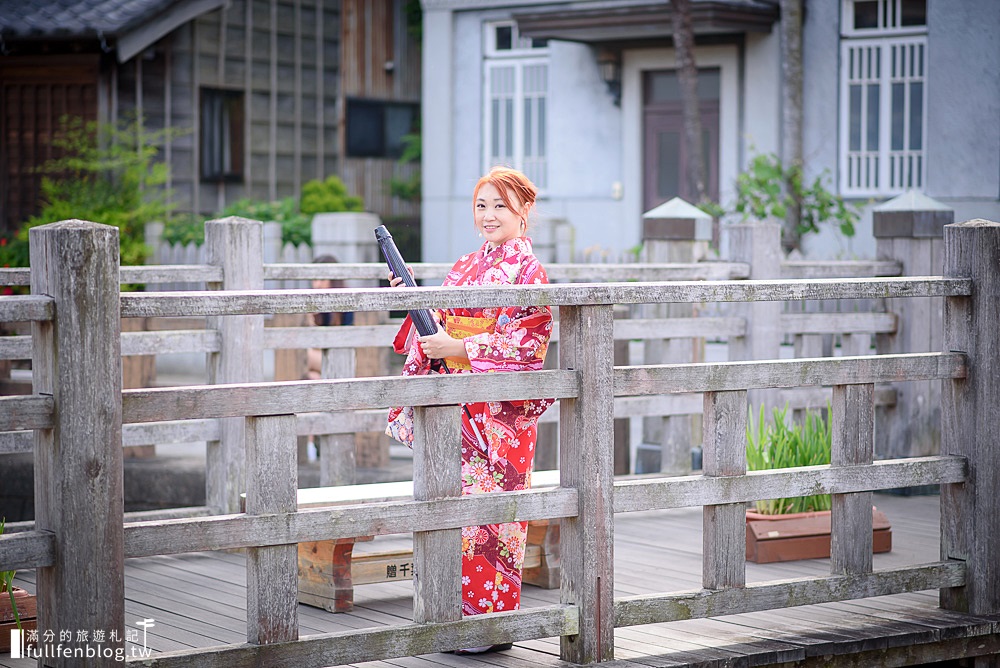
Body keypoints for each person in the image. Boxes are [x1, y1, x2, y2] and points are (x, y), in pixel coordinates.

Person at [385, 166, 553, 654]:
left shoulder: (529, 273)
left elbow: (526, 346)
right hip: (457, 408)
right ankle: (449, 621)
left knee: (491, 523)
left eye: (500, 205)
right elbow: (436, 330)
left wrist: (454, 348)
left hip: (498, 415)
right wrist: (416, 304)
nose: (489, 215)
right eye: (482, 206)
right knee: (449, 513)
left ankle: (488, 627)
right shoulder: (464, 266)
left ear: (524, 211)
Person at [306, 254, 354, 381]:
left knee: (305, 357)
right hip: (321, 355)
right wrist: (311, 321)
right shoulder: (313, 303)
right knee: (313, 377)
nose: (317, 285)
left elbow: (346, 340)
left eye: (322, 280)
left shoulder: (346, 301)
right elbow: (315, 345)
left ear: (333, 280)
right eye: (314, 280)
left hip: (341, 356)